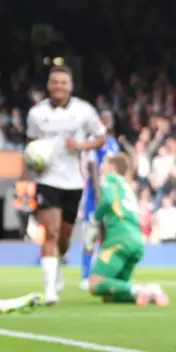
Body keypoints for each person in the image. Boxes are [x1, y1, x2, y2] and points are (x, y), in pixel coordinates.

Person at [26, 65, 107, 305]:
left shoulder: (84, 111)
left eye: (63, 82)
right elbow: (30, 143)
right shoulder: (36, 113)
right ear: (48, 85)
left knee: (64, 237)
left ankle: (58, 264)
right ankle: (50, 290)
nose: (58, 86)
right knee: (50, 232)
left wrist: (80, 147)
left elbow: (101, 137)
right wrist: (32, 166)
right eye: (54, 82)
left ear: (70, 86)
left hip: (74, 181)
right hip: (47, 179)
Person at [85, 153, 168, 307]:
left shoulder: (110, 179)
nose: (102, 168)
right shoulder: (127, 186)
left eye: (105, 164)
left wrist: (95, 218)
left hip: (119, 239)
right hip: (137, 240)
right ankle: (151, 291)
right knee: (109, 295)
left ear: (112, 168)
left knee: (95, 284)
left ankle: (138, 289)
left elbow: (108, 200)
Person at [79, 115, 121, 291]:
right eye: (104, 119)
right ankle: (86, 275)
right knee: (91, 235)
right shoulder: (93, 143)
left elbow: (117, 168)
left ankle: (102, 273)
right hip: (94, 196)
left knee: (107, 236)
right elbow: (93, 167)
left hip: (111, 194)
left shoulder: (114, 144)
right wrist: (97, 192)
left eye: (109, 119)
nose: (107, 122)